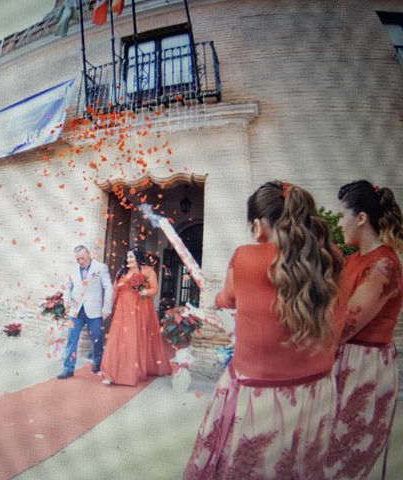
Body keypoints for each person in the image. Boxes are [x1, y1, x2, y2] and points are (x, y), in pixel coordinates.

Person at [184, 181, 349, 479]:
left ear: (259, 226)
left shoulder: (245, 257)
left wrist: (216, 299)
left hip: (261, 396)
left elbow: (228, 298)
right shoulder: (331, 257)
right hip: (318, 391)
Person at [325, 180, 403, 479]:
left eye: (342, 216)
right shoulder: (352, 260)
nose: (340, 223)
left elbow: (345, 325)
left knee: (343, 462)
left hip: (363, 369)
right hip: (341, 361)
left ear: (361, 218)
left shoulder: (384, 265)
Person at [100, 247, 171, 386]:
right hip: (122, 310)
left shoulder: (147, 271)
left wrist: (145, 291)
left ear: (138, 258)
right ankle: (111, 372)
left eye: (131, 257)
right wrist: (107, 307)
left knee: (134, 339)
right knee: (118, 339)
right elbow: (115, 290)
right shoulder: (122, 272)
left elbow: (155, 289)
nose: (128, 259)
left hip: (140, 309)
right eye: (127, 257)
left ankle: (133, 372)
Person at [56, 245, 112, 379]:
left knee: (97, 339)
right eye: (78, 259)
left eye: (82, 258)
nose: (81, 261)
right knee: (71, 339)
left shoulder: (100, 267)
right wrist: (66, 299)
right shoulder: (73, 269)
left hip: (94, 311)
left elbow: (108, 287)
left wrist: (106, 307)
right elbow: (68, 286)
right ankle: (68, 368)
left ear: (88, 253)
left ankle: (97, 363)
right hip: (76, 311)